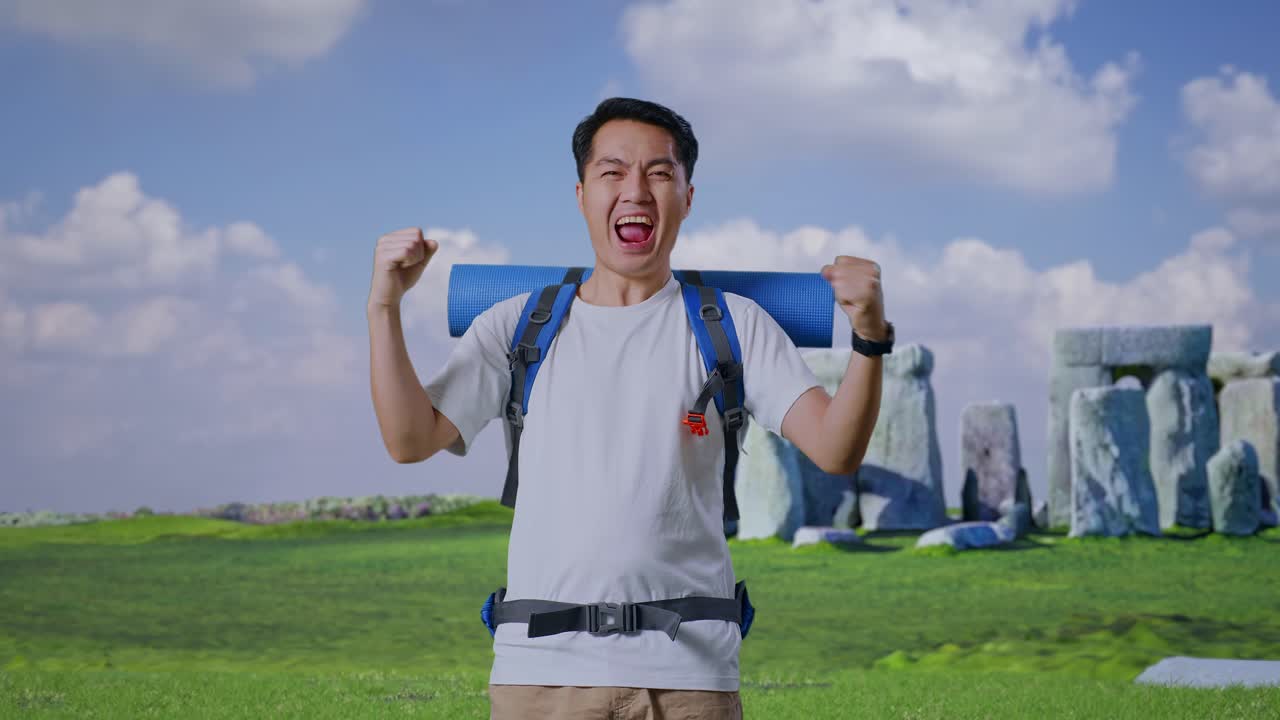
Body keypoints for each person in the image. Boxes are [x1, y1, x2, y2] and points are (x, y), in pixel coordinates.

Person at [367, 97, 890, 720]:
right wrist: (384, 307)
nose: (636, 191)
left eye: (660, 173)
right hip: (541, 675)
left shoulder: (731, 325)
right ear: (583, 192)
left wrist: (869, 335)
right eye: (613, 173)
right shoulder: (517, 326)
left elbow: (836, 448)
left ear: (687, 198)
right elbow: (408, 440)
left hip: (689, 677)